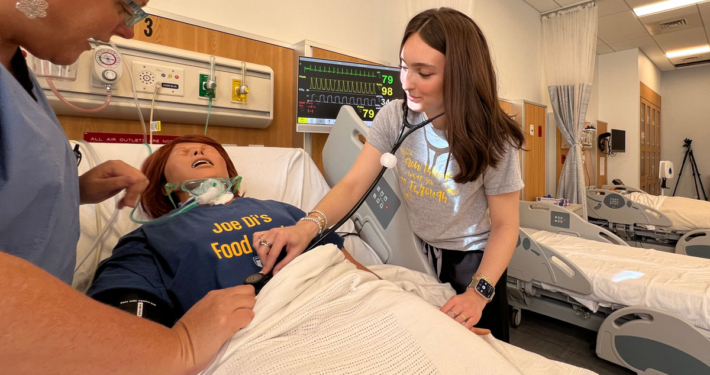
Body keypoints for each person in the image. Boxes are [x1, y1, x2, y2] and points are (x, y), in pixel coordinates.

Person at [0, 1, 255, 374]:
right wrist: (178, 345)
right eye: (126, 5)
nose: (128, 30)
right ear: (162, 187)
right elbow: (128, 298)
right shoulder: (151, 239)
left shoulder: (16, 70)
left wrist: (74, 189)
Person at [254, 8, 524, 342]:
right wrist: (307, 227)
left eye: (423, 72)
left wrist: (479, 294)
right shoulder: (395, 117)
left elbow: (506, 225)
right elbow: (353, 184)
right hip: (422, 247)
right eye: (403, 66)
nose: (407, 82)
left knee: (485, 347)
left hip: (475, 258)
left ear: (461, 76)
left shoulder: (495, 137)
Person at [86, 135, 374, 326]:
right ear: (165, 186)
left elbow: (345, 264)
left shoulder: (282, 209)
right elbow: (122, 316)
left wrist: (381, 289)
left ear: (229, 170)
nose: (197, 150)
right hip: (259, 330)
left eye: (207, 149)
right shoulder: (153, 235)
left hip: (343, 305)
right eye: (184, 152)